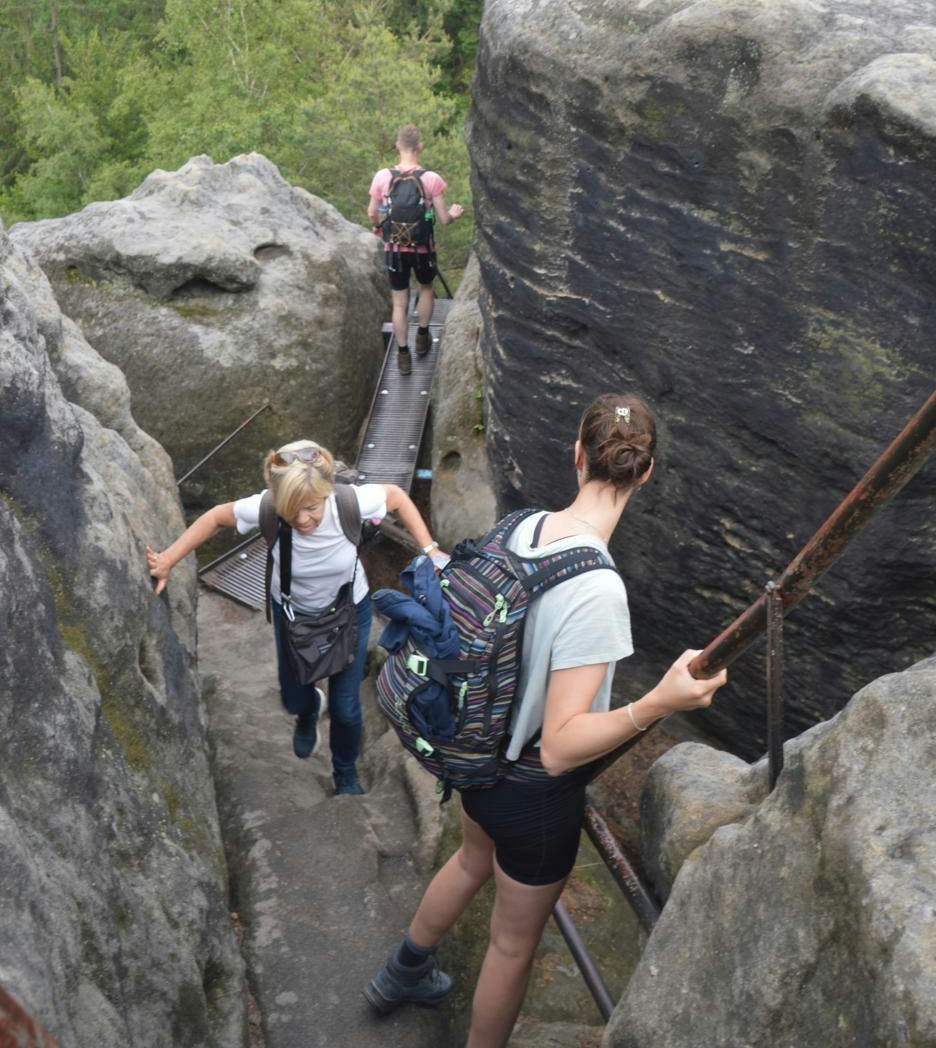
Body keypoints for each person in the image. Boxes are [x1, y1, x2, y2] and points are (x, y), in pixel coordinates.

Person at [364, 395, 728, 1044]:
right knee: (510, 945)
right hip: (532, 795)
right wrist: (658, 703)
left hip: (474, 753)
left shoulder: (519, 526)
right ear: (645, 473)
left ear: (577, 455)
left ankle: (401, 973)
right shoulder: (598, 587)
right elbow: (561, 747)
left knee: (471, 861)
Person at [147, 439, 447, 797]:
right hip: (291, 614)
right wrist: (168, 560)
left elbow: (396, 497)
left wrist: (430, 550)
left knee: (346, 708)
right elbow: (215, 518)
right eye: (292, 512)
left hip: (349, 611)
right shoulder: (267, 506)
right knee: (292, 696)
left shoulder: (348, 502)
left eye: (311, 508)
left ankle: (345, 774)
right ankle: (308, 709)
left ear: (325, 493)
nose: (303, 520)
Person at [368, 123, 464, 376]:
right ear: (420, 147)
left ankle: (403, 354)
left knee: (399, 303)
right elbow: (443, 219)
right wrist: (454, 213)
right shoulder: (431, 179)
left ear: (397, 145)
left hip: (395, 250)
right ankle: (422, 336)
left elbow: (372, 212)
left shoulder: (382, 177)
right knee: (426, 289)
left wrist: (378, 227)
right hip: (423, 249)